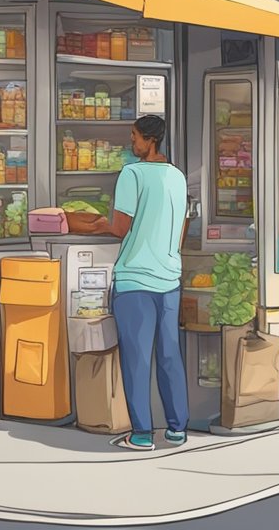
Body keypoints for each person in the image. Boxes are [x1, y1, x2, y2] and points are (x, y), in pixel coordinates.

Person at [67, 115, 188, 451]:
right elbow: (181, 228)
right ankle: (177, 429)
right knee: (169, 356)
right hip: (169, 277)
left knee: (136, 359)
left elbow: (119, 228)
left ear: (149, 140)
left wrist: (85, 224)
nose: (130, 143)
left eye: (134, 137)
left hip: (135, 279)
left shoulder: (132, 174)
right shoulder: (177, 177)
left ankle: (142, 435)